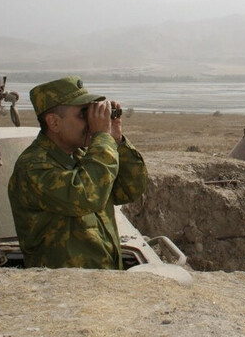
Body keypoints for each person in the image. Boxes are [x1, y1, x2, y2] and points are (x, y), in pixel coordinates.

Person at [8, 76, 147, 269]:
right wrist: (102, 138)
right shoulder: (33, 167)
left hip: (100, 281)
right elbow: (87, 196)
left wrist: (116, 141)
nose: (91, 122)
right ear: (54, 123)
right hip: (63, 288)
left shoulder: (83, 157)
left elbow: (130, 189)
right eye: (83, 115)